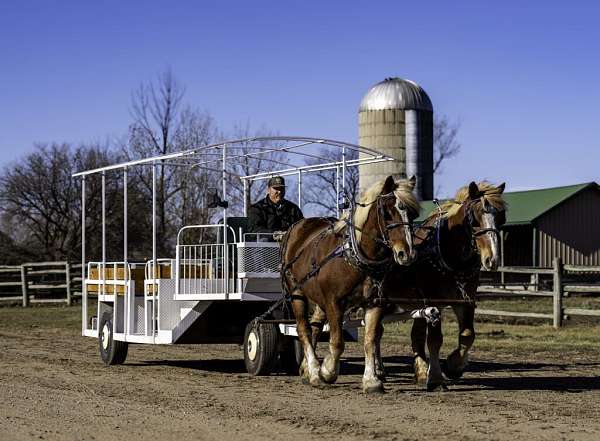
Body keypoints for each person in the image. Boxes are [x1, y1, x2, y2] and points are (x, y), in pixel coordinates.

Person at [247, 176, 303, 241]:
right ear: (268, 190)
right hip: (266, 247)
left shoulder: (293, 208)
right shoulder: (257, 208)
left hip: (289, 244)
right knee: (264, 240)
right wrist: (274, 234)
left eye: (281, 189)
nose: (279, 192)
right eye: (276, 188)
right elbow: (254, 230)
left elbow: (302, 226)